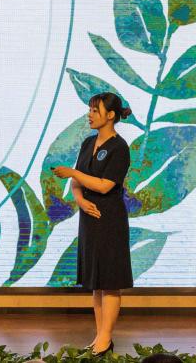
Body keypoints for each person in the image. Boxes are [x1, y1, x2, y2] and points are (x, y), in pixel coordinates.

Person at [52, 92, 133, 356]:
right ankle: (100, 338)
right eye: (90, 110)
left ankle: (106, 338)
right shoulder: (88, 143)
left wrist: (73, 172)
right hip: (89, 217)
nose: (90, 115)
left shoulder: (119, 148)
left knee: (110, 280)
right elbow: (77, 183)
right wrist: (80, 201)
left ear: (110, 115)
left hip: (109, 218)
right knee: (96, 281)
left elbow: (104, 185)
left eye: (95, 110)